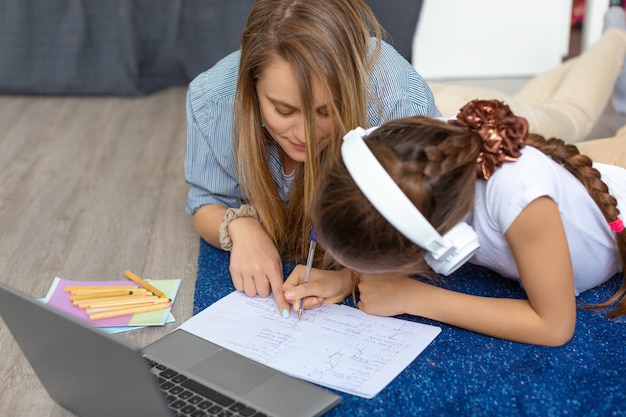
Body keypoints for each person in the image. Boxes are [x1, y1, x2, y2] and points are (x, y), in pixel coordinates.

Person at [283, 98, 626, 347]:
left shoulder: (521, 200)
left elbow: (554, 326)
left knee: (577, 107)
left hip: (612, 195)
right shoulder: (408, 154)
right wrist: (348, 276)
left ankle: (612, 38)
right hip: (575, 180)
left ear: (447, 247)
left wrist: (412, 297)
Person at [184, 0, 440, 317]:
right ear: (252, 87)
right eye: (284, 110)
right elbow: (204, 200)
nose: (304, 135)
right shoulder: (212, 99)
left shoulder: (396, 97)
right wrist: (241, 226)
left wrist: (352, 275)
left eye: (326, 111)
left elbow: (431, 218)